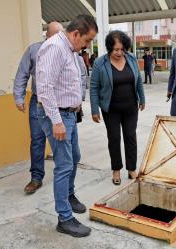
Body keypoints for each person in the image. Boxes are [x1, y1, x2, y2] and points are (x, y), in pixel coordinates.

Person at [36, 15, 98, 237]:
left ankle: (69, 195)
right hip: (56, 116)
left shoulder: (69, 50)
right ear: (75, 34)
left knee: (75, 157)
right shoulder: (55, 48)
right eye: (87, 40)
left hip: (69, 114)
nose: (88, 45)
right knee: (64, 165)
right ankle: (64, 218)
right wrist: (57, 121)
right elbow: (45, 88)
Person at [13, 22, 63, 194]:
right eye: (55, 34)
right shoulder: (34, 50)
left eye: (61, 34)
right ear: (47, 35)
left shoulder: (67, 50)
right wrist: (19, 97)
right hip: (38, 102)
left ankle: (64, 176)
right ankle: (36, 178)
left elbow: (78, 72)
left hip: (60, 103)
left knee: (62, 140)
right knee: (37, 140)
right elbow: (22, 74)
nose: (58, 38)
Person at [90, 30, 145, 186]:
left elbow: (138, 80)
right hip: (111, 109)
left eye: (122, 49)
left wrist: (142, 98)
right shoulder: (100, 63)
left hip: (130, 107)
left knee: (130, 137)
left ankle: (132, 169)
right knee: (114, 138)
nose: (119, 53)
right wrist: (94, 109)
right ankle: (116, 170)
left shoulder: (132, 59)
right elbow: (94, 87)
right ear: (109, 48)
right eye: (116, 50)